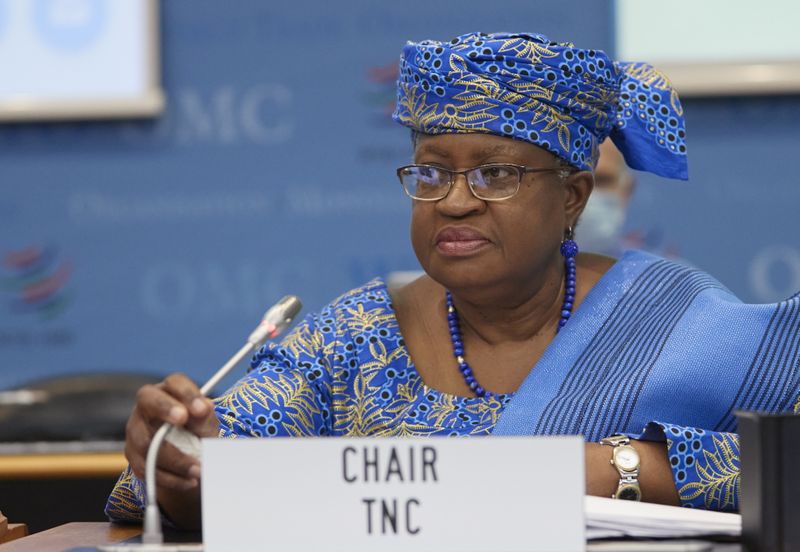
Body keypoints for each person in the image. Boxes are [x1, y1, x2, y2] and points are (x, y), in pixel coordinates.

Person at [106, 31, 800, 529]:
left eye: (496, 174)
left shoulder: (676, 321)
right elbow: (201, 481)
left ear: (573, 197)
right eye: (432, 172)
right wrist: (180, 456)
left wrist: (613, 468)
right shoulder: (353, 337)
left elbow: (785, 471)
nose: (455, 201)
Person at [578, 139, 635, 257]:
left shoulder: (655, 274)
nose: (586, 193)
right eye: (576, 183)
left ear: (627, 191)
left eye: (601, 180)